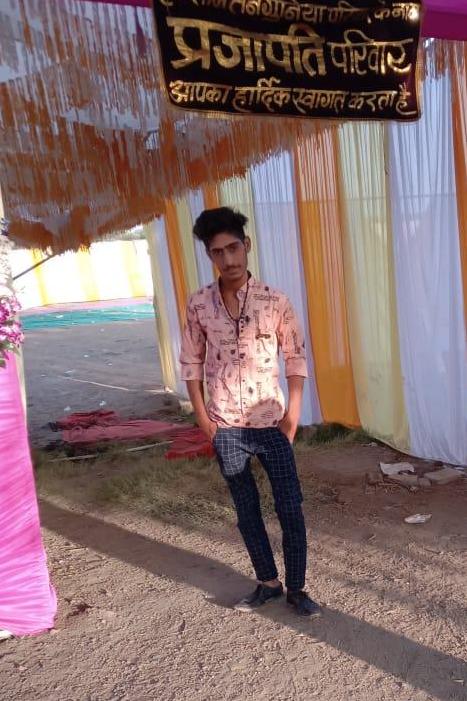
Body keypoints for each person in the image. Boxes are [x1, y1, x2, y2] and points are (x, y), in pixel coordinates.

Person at [180, 207, 321, 617]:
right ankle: (268, 583)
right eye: (218, 252)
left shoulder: (274, 301)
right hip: (226, 425)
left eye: (234, 248)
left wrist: (292, 415)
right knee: (246, 511)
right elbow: (191, 361)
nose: (228, 259)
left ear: (247, 245)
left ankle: (297, 589)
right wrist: (203, 418)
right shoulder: (199, 304)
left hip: (271, 423)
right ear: (209, 255)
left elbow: (295, 357)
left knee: (289, 506)